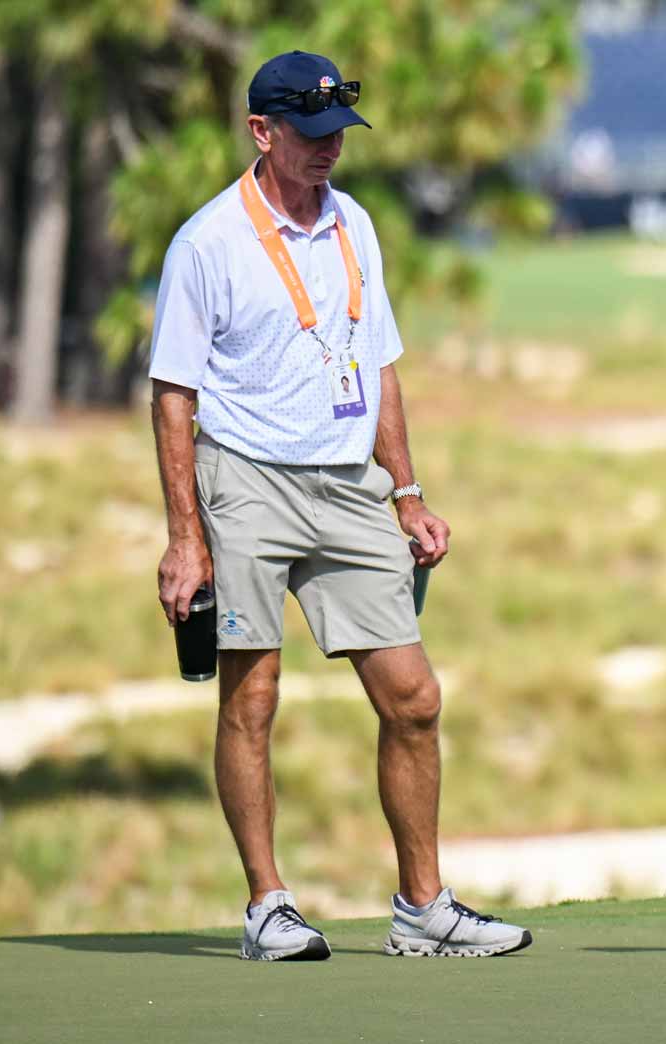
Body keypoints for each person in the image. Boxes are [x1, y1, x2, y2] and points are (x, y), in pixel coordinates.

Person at [147, 50, 529, 962]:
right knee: (253, 695)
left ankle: (423, 909)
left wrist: (407, 491)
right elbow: (172, 394)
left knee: (415, 698)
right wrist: (183, 540)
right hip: (244, 477)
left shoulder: (355, 225)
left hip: (350, 480)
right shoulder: (208, 243)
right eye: (311, 136)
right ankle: (268, 906)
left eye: (337, 137)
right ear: (261, 132)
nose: (329, 153)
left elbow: (380, 361)